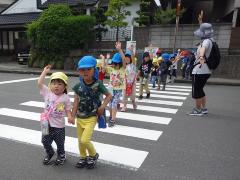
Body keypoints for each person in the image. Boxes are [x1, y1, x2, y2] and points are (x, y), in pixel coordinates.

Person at [72, 56, 112, 168]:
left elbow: (109, 95)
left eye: (88, 69)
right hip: (79, 117)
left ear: (94, 69)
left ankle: (93, 155)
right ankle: (83, 157)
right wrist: (72, 115)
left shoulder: (98, 84)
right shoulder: (78, 86)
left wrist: (103, 106)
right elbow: (75, 101)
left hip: (91, 117)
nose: (85, 72)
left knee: (85, 140)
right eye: (82, 70)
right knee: (80, 140)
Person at [38, 65, 73, 165]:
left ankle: (61, 155)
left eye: (59, 83)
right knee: (44, 140)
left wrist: (70, 116)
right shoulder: (47, 93)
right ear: (50, 85)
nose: (56, 86)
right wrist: (44, 72)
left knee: (60, 143)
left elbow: (67, 109)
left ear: (65, 86)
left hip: (58, 125)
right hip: (46, 122)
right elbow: (40, 83)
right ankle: (50, 153)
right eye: (53, 83)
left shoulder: (65, 98)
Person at [189, 23, 214, 116]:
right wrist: (200, 22)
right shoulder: (211, 40)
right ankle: (203, 109)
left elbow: (203, 48)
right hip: (206, 70)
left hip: (199, 70)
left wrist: (201, 56)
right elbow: (205, 29)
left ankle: (198, 110)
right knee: (200, 89)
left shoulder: (206, 42)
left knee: (196, 91)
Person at [105, 42, 126, 127]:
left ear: (120, 64)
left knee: (113, 104)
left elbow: (124, 60)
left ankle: (113, 119)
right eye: (113, 63)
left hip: (118, 90)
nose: (114, 65)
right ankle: (111, 116)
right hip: (111, 89)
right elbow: (105, 66)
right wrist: (107, 59)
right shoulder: (112, 69)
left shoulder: (122, 69)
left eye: (116, 64)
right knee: (110, 104)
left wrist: (120, 50)